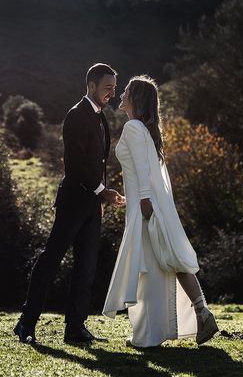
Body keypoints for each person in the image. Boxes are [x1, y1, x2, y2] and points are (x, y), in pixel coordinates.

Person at [102, 75, 218, 347]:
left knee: (150, 269)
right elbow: (148, 171)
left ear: (136, 98)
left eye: (127, 90)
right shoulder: (145, 130)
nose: (121, 94)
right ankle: (199, 312)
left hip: (146, 207)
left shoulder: (133, 127)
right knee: (164, 262)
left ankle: (150, 334)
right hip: (150, 204)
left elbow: (143, 168)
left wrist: (143, 201)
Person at [15, 63, 125, 345]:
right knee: (51, 260)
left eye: (114, 87)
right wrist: (104, 192)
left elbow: (98, 163)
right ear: (91, 86)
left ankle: (75, 328)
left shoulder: (101, 117)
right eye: (107, 87)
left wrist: (99, 197)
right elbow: (75, 165)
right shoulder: (76, 115)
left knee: (86, 266)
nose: (112, 92)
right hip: (73, 202)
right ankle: (26, 323)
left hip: (92, 204)